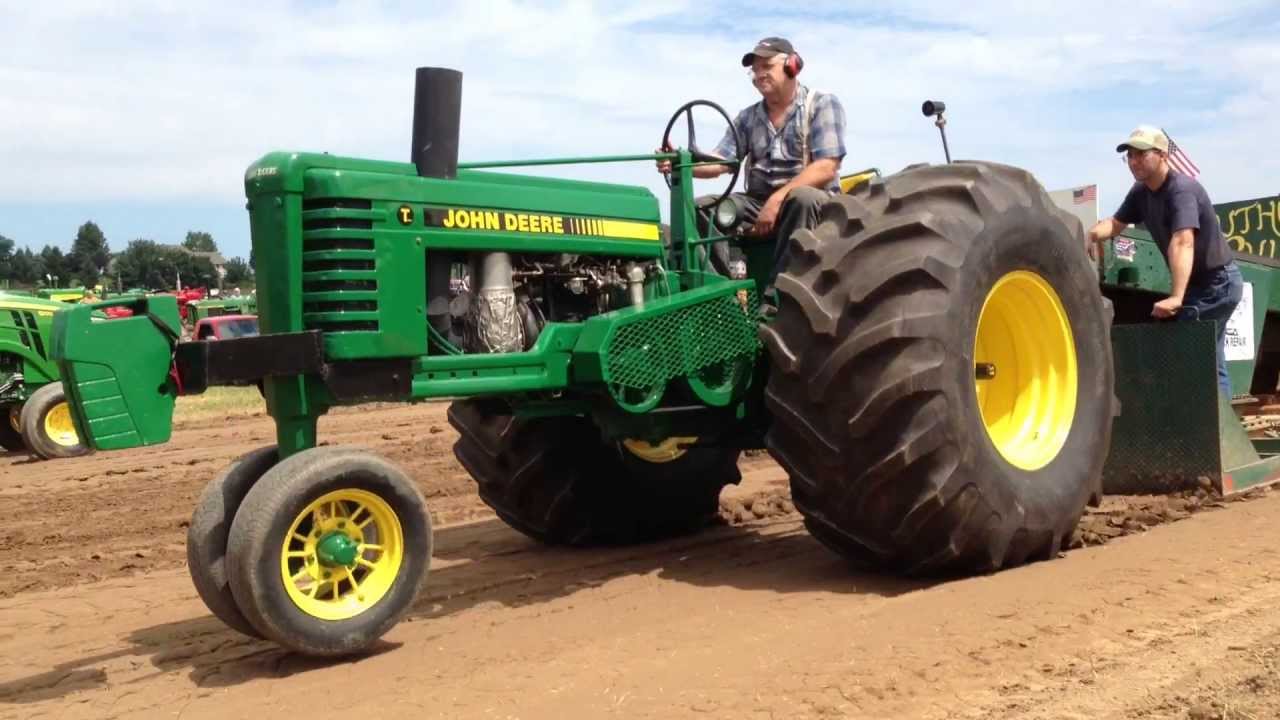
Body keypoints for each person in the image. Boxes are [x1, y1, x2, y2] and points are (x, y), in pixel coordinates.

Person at [656, 37, 847, 280]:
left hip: (812, 201)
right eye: (754, 71)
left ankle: (778, 301)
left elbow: (827, 167)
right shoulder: (748, 117)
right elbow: (722, 162)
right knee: (699, 209)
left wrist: (777, 199)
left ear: (792, 65)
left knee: (803, 198)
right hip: (758, 203)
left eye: (766, 67)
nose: (758, 75)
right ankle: (723, 296)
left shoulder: (821, 104)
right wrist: (681, 163)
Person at [1087, 125, 1243, 396]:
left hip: (1217, 284)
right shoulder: (1141, 192)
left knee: (1192, 351)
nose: (1133, 162)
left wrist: (1176, 297)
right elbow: (1115, 223)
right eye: (1130, 156)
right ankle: (1217, 430)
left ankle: (1212, 428)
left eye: (1140, 154)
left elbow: (1183, 241)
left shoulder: (1181, 191)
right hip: (1201, 285)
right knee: (1209, 361)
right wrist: (1090, 235)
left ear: (1162, 155)